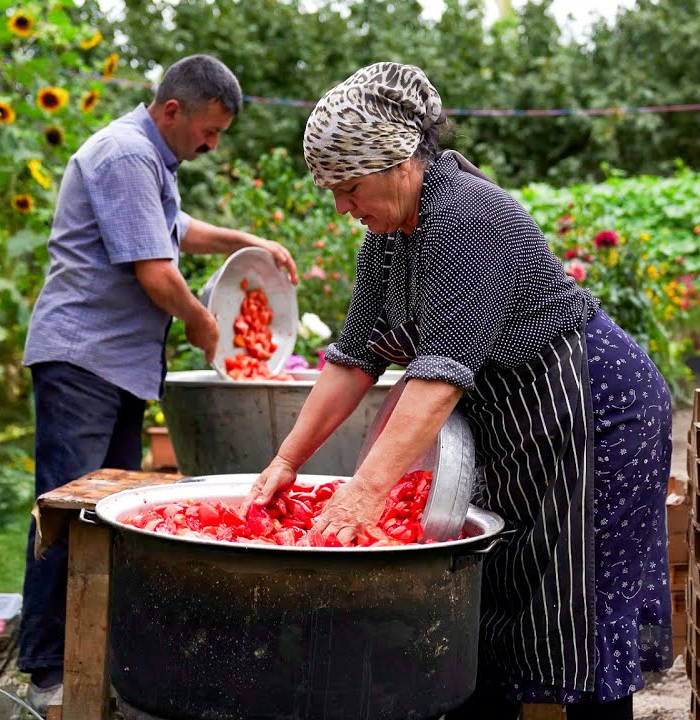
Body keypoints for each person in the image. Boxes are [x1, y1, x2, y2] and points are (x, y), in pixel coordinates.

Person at [246, 62, 673, 718]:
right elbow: (350, 361)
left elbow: (439, 379)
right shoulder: (386, 240)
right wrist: (285, 461)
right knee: (496, 599)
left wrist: (364, 493)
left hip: (596, 413)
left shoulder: (467, 216)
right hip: (522, 422)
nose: (341, 207)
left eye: (348, 186)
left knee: (578, 616)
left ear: (396, 164)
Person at [19, 54, 297, 711]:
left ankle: (84, 651)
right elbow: (157, 272)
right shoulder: (124, 155)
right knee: (65, 514)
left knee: (99, 516)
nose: (211, 144)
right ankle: (45, 667)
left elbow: (175, 233)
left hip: (112, 366)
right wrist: (213, 332)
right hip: (83, 360)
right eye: (208, 131)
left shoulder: (151, 161)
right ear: (172, 110)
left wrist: (243, 239)